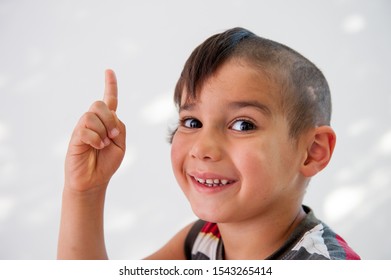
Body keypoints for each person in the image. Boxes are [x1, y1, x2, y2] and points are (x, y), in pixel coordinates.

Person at [57, 27, 360, 260]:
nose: (202, 148)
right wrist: (85, 191)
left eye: (243, 124)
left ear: (312, 151)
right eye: (192, 122)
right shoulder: (203, 240)